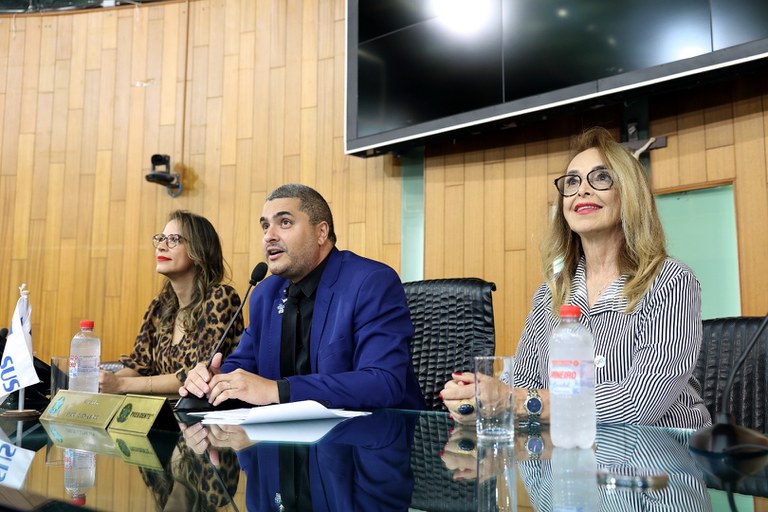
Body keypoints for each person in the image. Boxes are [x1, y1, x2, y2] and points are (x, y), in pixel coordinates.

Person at [441, 127, 711, 429]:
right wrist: (480, 400)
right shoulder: (549, 294)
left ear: (630, 193)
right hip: (572, 451)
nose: (582, 190)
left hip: (662, 451)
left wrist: (514, 401)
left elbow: (638, 406)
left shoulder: (670, 281)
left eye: (601, 177)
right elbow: (523, 383)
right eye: (572, 181)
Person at [180, 184, 425, 410]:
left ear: (321, 232)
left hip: (374, 437)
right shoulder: (265, 294)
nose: (269, 236)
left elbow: (383, 382)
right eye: (265, 226)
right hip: (284, 438)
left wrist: (278, 390)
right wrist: (215, 379)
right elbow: (244, 366)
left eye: (284, 222)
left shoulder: (370, 282)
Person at [99, 210, 243, 394]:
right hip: (163, 408)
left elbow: (199, 375)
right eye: (161, 239)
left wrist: (121, 385)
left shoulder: (221, 297)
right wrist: (104, 382)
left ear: (199, 251)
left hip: (206, 409)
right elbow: (139, 365)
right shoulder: (160, 306)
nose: (161, 246)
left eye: (173, 239)